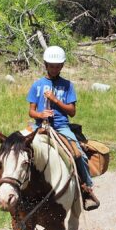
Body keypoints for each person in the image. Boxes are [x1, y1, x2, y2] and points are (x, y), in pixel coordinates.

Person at [27, 45, 99, 210]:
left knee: (78, 154)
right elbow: (31, 111)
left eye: (58, 66)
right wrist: (40, 115)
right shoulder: (37, 85)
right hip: (39, 126)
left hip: (61, 126)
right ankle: (21, 188)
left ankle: (86, 187)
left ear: (63, 66)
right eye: (52, 66)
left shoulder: (67, 85)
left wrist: (55, 100)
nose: (55, 69)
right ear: (45, 65)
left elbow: (72, 112)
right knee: (19, 149)